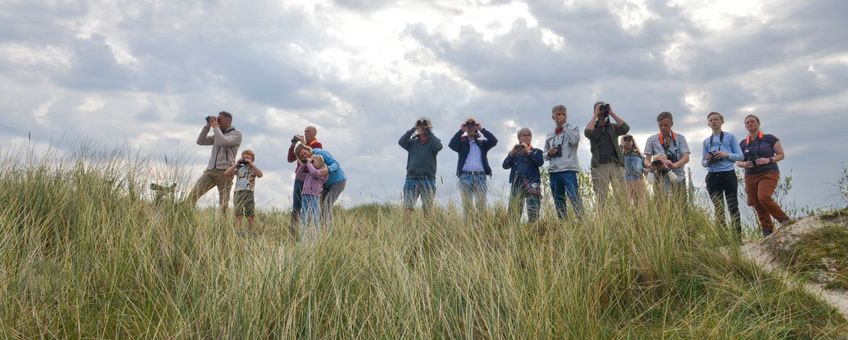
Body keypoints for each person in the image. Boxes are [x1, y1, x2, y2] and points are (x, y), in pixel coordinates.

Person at [736, 114, 789, 237]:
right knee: (757, 203)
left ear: (758, 123)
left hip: (768, 172)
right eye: (747, 122)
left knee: (764, 197)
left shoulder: (769, 138)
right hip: (750, 176)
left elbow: (781, 154)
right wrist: (744, 164)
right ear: (745, 126)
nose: (750, 124)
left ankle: (785, 221)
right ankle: (767, 231)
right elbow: (738, 162)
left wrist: (768, 160)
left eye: (752, 121)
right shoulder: (743, 143)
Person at [188, 111, 243, 213]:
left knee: (223, 204)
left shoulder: (236, 134)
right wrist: (207, 126)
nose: (217, 121)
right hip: (210, 171)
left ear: (228, 120)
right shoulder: (218, 134)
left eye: (219, 119)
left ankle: (223, 223)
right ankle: (186, 216)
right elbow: (200, 141)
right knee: (193, 195)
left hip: (225, 172)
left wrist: (215, 127)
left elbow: (224, 142)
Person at [701, 112, 744, 238]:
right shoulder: (706, 141)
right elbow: (703, 163)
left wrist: (726, 154)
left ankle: (737, 238)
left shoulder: (730, 137)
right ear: (708, 124)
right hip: (712, 175)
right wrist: (708, 159)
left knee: (733, 206)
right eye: (711, 120)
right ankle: (722, 239)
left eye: (716, 119)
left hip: (728, 174)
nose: (713, 122)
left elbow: (741, 156)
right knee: (718, 208)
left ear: (722, 121)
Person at [449, 117, 498, 218]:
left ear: (476, 127)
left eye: (473, 125)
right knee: (467, 206)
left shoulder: (482, 143)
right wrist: (461, 130)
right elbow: (451, 144)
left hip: (480, 177)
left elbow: (494, 141)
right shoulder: (462, 144)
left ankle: (480, 226)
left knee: (481, 206)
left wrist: (482, 129)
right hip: (465, 177)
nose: (471, 127)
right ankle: (468, 227)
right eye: (468, 126)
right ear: (466, 128)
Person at [584, 101, 631, 206]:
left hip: (616, 164)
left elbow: (626, 128)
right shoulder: (593, 128)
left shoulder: (613, 127)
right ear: (595, 112)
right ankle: (602, 217)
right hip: (599, 165)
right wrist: (596, 115)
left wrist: (611, 113)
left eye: (603, 110)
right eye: (599, 110)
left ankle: (623, 215)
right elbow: (587, 133)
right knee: (601, 198)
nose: (602, 113)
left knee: (622, 197)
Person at [544, 105, 583, 219]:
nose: (561, 116)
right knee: (558, 200)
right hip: (554, 171)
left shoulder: (573, 129)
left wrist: (565, 126)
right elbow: (544, 154)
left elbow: (574, 141)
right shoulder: (549, 134)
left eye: (563, 114)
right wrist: (549, 153)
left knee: (574, 196)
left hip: (568, 170)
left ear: (566, 116)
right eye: (558, 114)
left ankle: (582, 220)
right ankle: (563, 223)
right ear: (553, 117)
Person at [398, 118, 443, 215]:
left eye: (425, 125)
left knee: (427, 210)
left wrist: (429, 132)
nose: (422, 127)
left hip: (428, 179)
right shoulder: (412, 142)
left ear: (429, 127)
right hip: (411, 178)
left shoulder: (433, 142)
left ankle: (426, 225)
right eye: (420, 125)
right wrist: (413, 129)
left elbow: (439, 147)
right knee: (408, 208)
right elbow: (401, 142)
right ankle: (406, 225)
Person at [295, 144, 346, 226]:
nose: (305, 156)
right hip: (325, 186)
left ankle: (327, 230)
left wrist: (328, 169)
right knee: (320, 208)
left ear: (308, 149)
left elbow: (336, 163)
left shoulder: (320, 153)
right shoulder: (308, 163)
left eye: (305, 153)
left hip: (338, 181)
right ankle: (325, 229)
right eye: (302, 156)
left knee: (326, 205)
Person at [287, 126, 323, 238]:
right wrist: (293, 145)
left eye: (308, 131)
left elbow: (314, 156)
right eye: (305, 131)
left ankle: (311, 231)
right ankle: (293, 232)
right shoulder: (300, 146)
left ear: (314, 134)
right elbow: (290, 159)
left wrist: (303, 144)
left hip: (311, 179)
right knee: (296, 205)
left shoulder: (318, 145)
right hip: (300, 178)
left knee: (311, 206)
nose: (306, 133)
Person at [644, 112, 690, 196]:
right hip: (660, 180)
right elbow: (647, 160)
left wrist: (674, 165)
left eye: (666, 125)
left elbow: (686, 158)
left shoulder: (680, 138)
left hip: (678, 178)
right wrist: (651, 165)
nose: (663, 128)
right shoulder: (651, 139)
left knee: (681, 204)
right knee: (661, 204)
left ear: (671, 124)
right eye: (660, 125)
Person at [503, 128, 544, 222]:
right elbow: (505, 166)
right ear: (519, 138)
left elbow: (540, 162)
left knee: (533, 211)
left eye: (529, 135)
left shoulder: (536, 151)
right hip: (517, 183)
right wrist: (512, 152)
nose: (527, 137)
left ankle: (533, 229)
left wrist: (528, 151)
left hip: (532, 183)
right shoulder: (515, 153)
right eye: (524, 135)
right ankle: (514, 230)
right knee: (514, 213)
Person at [225, 149, 264, 229]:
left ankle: (252, 230)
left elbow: (260, 175)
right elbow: (226, 173)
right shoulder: (239, 168)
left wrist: (251, 164)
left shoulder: (253, 169)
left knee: (250, 214)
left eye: (248, 158)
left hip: (248, 192)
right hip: (238, 192)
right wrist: (237, 164)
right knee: (238, 213)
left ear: (252, 160)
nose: (245, 159)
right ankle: (237, 230)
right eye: (244, 158)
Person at [297, 154, 328, 243]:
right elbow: (299, 174)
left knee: (315, 217)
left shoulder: (322, 172)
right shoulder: (309, 172)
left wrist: (309, 164)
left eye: (314, 160)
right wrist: (304, 164)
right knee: (304, 217)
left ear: (320, 163)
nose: (312, 161)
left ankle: (316, 238)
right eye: (312, 160)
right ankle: (303, 239)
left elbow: (314, 173)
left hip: (314, 196)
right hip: (305, 195)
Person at [621, 135, 645, 203]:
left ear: (632, 142)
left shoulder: (639, 154)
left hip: (639, 180)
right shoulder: (620, 154)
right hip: (626, 180)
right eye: (625, 140)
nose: (627, 142)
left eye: (629, 140)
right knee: (627, 202)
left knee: (641, 203)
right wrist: (621, 146)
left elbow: (645, 165)